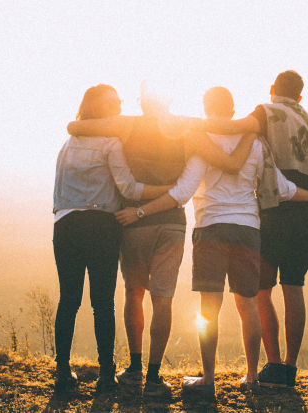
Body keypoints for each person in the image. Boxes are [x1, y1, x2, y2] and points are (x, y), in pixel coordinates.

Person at [115, 87, 308, 397]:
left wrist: (141, 210)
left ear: (205, 108)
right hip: (248, 230)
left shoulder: (201, 142)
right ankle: (253, 377)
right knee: (248, 306)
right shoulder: (255, 143)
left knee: (209, 309)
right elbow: (281, 188)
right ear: (232, 111)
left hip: (210, 228)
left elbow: (182, 192)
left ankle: (208, 379)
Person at [67, 81, 256, 396]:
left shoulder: (127, 125)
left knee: (134, 293)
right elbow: (229, 162)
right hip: (171, 223)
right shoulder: (186, 128)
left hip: (133, 221)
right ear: (169, 100)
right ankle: (154, 377)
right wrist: (250, 130)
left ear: (143, 103)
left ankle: (134, 368)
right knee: (163, 299)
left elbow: (76, 126)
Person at [189, 71, 308, 388]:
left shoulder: (267, 112)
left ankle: (272, 365)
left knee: (260, 293)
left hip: (275, 209)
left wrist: (187, 124)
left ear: (271, 89)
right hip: (306, 211)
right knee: (294, 287)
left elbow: (234, 128)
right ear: (300, 97)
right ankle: (288, 370)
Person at [52, 84, 174, 393]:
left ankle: (62, 372)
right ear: (97, 108)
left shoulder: (68, 144)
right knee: (102, 302)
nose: (119, 106)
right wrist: (169, 191)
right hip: (101, 227)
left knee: (68, 299)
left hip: (65, 225)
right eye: (112, 102)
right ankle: (107, 374)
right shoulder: (110, 143)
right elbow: (130, 190)